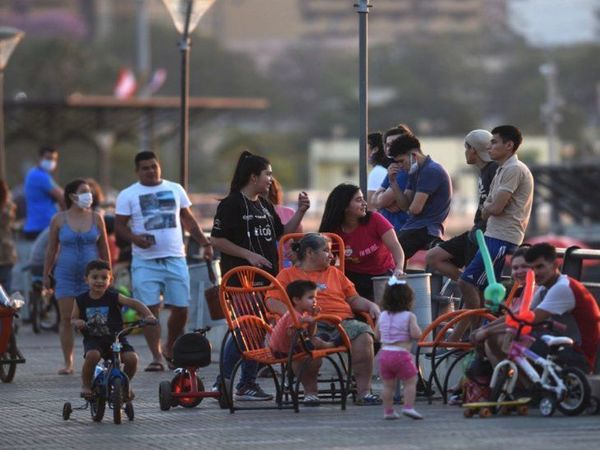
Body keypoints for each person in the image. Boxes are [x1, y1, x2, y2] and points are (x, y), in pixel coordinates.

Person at [211, 150, 310, 401]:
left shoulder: (264, 205)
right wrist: (248, 255)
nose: (270, 179)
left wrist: (300, 211)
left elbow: (282, 233)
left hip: (267, 280)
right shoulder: (231, 204)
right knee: (248, 330)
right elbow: (217, 239)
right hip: (240, 282)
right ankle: (236, 381)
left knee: (255, 330)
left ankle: (234, 381)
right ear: (253, 176)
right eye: (267, 174)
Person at [115, 151, 212, 372]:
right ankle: (156, 356)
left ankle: (169, 347)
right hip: (144, 261)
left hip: (175, 257)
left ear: (159, 167)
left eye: (153, 166)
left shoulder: (175, 188)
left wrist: (204, 243)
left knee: (181, 308)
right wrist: (135, 239)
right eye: (145, 168)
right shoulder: (128, 194)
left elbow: (187, 219)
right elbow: (119, 225)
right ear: (137, 171)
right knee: (149, 310)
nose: (150, 170)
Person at [267, 233, 382, 405]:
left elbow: (353, 299)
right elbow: (271, 300)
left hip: (341, 322)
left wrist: (371, 306)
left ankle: (363, 392)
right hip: (310, 323)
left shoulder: (335, 273)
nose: (331, 255)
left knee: (364, 335)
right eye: (326, 251)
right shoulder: (287, 275)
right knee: (303, 340)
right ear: (309, 253)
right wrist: (294, 316)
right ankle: (310, 392)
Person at [454, 125, 533, 340]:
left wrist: (487, 208)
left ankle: (479, 330)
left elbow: (493, 208)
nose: (489, 147)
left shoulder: (514, 169)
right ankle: (485, 331)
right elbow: (487, 206)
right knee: (486, 288)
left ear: (509, 145)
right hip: (493, 234)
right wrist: (487, 208)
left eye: (495, 142)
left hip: (503, 236)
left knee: (467, 282)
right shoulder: (501, 169)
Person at [474, 243, 600, 373]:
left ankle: (520, 387)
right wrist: (485, 329)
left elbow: (529, 320)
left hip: (579, 355)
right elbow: (520, 314)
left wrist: (486, 332)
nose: (536, 273)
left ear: (555, 265)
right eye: (532, 269)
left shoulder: (563, 287)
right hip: (560, 344)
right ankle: (518, 386)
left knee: (503, 338)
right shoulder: (545, 287)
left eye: (540, 267)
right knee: (498, 338)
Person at [44, 178, 110, 375]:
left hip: (92, 276)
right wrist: (46, 273)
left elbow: (104, 247)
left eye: (90, 191)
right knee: (66, 318)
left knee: (96, 318)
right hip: (65, 273)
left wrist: (109, 272)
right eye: (84, 191)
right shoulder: (58, 219)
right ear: (73, 196)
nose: (88, 195)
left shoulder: (97, 217)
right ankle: (68, 362)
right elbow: (51, 248)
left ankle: (95, 357)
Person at [71, 260, 157, 398]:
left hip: (116, 338)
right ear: (86, 279)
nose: (99, 281)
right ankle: (86, 385)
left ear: (110, 280)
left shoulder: (113, 296)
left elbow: (134, 303)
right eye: (95, 277)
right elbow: (73, 318)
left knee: (132, 359)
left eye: (104, 278)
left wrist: (148, 315)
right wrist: (78, 322)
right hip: (94, 339)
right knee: (92, 356)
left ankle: (125, 384)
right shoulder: (81, 299)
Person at [426, 129, 497, 281]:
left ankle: (468, 287)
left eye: (466, 147)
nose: (465, 152)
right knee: (433, 257)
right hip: (475, 231)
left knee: (477, 289)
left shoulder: (494, 170)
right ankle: (465, 284)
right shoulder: (482, 171)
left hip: (485, 235)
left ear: (473, 150)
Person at [319, 183, 405, 300]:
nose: (364, 203)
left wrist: (399, 268)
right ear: (344, 206)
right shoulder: (333, 230)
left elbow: (395, 246)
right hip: (351, 278)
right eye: (359, 200)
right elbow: (329, 261)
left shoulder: (375, 219)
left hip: (381, 275)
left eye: (363, 199)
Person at [386, 133, 452, 260]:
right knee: (390, 254)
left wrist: (411, 207)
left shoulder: (430, 171)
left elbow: (415, 209)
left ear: (413, 156)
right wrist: (393, 182)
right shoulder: (415, 172)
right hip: (415, 226)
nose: (400, 166)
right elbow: (405, 206)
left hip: (426, 229)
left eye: (401, 161)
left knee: (389, 255)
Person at [268, 280, 334, 406]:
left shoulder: (301, 314)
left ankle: (311, 393)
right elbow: (291, 336)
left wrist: (313, 320)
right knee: (315, 344)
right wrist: (301, 324)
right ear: (296, 300)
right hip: (282, 351)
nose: (314, 301)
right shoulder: (293, 316)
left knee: (314, 345)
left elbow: (310, 333)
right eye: (310, 298)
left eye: (315, 297)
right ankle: (331, 345)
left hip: (293, 347)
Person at [376, 276, 423, 420]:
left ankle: (388, 411)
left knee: (388, 385)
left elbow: (376, 335)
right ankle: (408, 407)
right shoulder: (409, 316)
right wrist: (419, 333)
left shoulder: (382, 315)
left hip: (384, 355)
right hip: (401, 355)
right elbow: (416, 334)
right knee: (410, 380)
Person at [371, 125, 413, 232]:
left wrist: (383, 202)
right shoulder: (394, 168)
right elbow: (374, 201)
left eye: (396, 143)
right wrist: (387, 203)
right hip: (388, 232)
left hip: (402, 232)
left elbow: (381, 202)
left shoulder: (406, 171)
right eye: (388, 145)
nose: (391, 147)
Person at [23, 146, 65, 240]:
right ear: (40, 158)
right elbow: (62, 197)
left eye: (54, 159)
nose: (51, 162)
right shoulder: (40, 176)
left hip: (38, 227)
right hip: (41, 228)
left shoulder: (37, 174)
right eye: (48, 158)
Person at [0, 180, 17, 292]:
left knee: (5, 294)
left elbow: (6, 219)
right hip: (6, 255)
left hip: (5, 256)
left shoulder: (7, 208)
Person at [366, 132, 389, 210]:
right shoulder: (384, 169)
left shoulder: (377, 172)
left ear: (375, 149)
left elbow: (370, 208)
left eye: (365, 146)